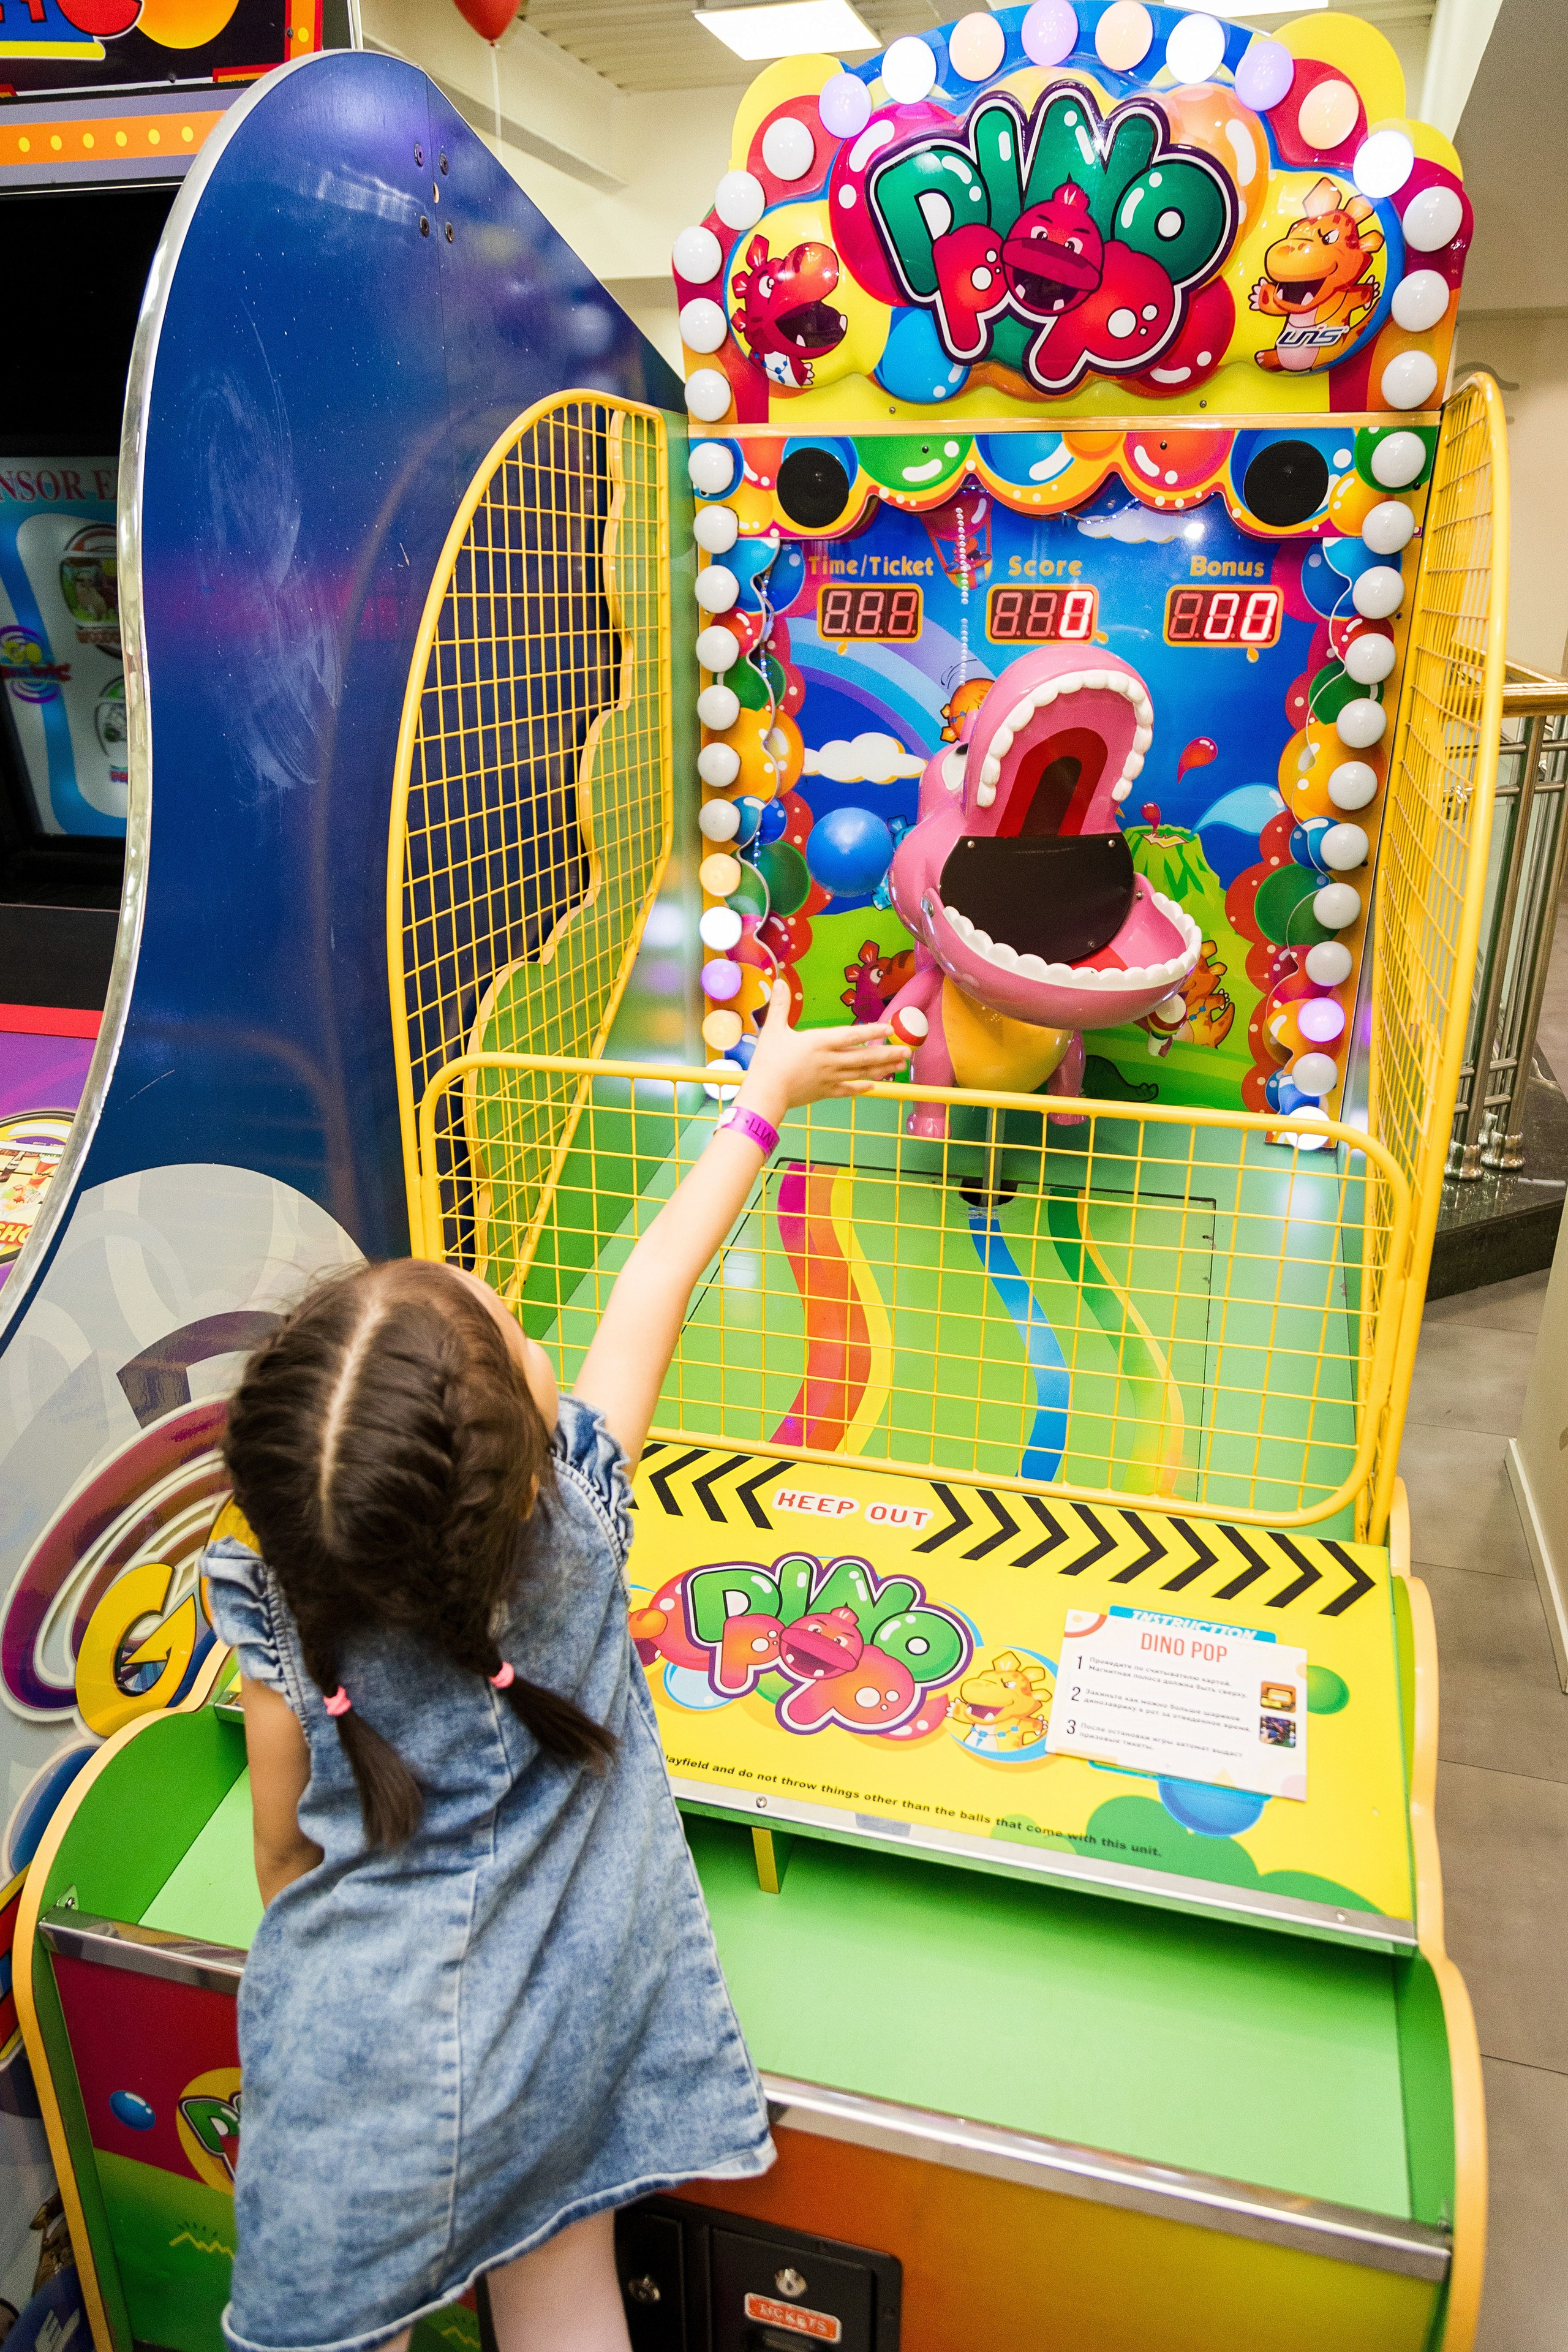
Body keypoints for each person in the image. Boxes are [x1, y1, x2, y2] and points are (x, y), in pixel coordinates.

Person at [204, 985, 910, 2352]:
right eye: (523, 1339)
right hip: (562, 2042)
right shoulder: (579, 1530)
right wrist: (760, 1101)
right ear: (527, 1475)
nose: (540, 1338)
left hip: (359, 2071)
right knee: (567, 2294)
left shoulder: (277, 1598)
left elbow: (284, 1856)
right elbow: (654, 1291)